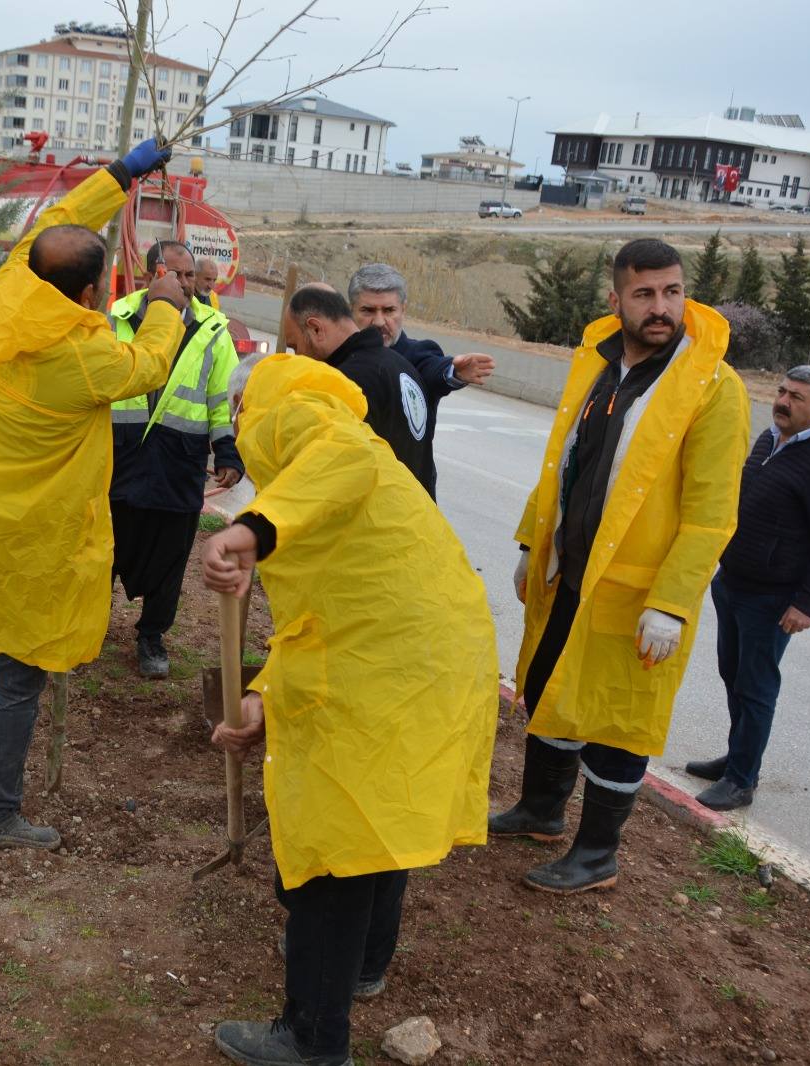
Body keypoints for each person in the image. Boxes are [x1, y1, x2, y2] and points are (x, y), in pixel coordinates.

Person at [0, 139, 183, 851]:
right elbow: (151, 362)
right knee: (21, 672)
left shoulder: (4, 293)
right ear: (86, 297)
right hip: (27, 541)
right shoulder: (84, 356)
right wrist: (168, 305)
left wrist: (123, 172)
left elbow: (65, 217)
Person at [201, 354, 496, 1066]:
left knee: (336, 844)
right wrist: (261, 699)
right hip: (416, 659)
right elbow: (319, 619)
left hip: (391, 668)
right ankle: (361, 964)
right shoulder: (330, 459)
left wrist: (249, 531)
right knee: (377, 824)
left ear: (246, 409)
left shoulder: (303, 419)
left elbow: (339, 462)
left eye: (235, 421)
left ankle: (312, 1039)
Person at [493, 238, 749, 893]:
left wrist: (672, 602)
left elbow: (712, 514)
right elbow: (561, 462)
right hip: (572, 573)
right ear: (617, 299)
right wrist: (533, 543)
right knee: (552, 688)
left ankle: (597, 854)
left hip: (639, 595)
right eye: (644, 294)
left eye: (672, 291)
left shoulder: (712, 388)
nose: (661, 307)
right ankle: (542, 811)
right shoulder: (599, 362)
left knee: (617, 721)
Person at [687, 365, 810, 811]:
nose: (782, 401)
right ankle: (739, 758)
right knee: (733, 675)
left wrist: (808, 602)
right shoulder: (768, 440)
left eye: (796, 398)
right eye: (782, 391)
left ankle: (741, 781)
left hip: (773, 597)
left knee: (756, 686)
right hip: (733, 584)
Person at [110, 239, 243, 678]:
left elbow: (222, 399)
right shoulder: (117, 318)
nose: (188, 285)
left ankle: (151, 637)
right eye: (178, 275)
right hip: (120, 461)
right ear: (153, 276)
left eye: (191, 276)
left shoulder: (212, 330)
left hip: (177, 465)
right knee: (106, 552)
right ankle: (87, 629)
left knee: (169, 560)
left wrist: (227, 451)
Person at [348, 263, 495, 498]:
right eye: (367, 311)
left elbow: (434, 370)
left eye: (388, 311)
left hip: (407, 499)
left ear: (403, 310)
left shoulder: (417, 355)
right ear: (350, 311)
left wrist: (452, 372)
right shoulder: (339, 360)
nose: (378, 321)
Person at [283, 283, 434, 496]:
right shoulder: (402, 366)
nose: (297, 357)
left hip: (377, 522)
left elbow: (334, 477)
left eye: (295, 346)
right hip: (420, 518)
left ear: (316, 329)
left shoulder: (344, 383)